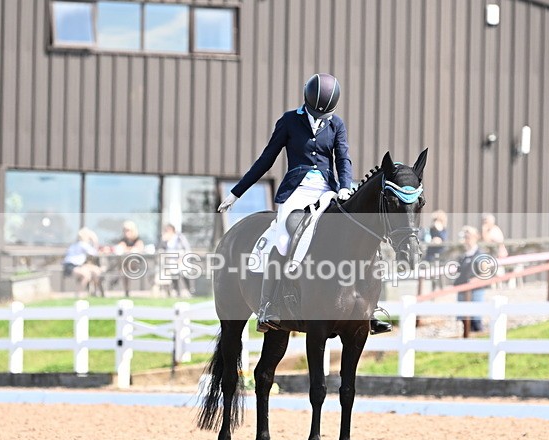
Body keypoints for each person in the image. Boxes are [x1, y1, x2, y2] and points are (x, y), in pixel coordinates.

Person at [218, 73, 391, 335]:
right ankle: (268, 305)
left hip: (326, 190)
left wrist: (345, 187)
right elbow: (266, 159)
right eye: (315, 114)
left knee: (355, 234)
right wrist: (236, 193)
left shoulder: (336, 125)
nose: (319, 119)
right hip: (296, 191)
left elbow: (343, 159)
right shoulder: (289, 120)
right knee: (284, 236)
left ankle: (371, 307)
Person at [454, 226, 485, 333]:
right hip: (463, 290)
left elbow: (485, 273)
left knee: (475, 321)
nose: (467, 239)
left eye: (469, 236)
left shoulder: (480, 254)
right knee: (464, 320)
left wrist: (475, 281)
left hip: (475, 291)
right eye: (465, 237)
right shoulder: (462, 256)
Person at [62, 227, 103, 297]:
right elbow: (94, 253)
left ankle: (96, 293)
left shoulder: (78, 244)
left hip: (78, 265)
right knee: (86, 275)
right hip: (70, 266)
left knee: (96, 271)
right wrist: (95, 241)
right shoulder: (82, 244)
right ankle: (78, 295)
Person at [159, 223, 194, 297]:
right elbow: (162, 251)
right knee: (173, 272)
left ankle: (190, 290)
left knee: (184, 272)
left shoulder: (180, 238)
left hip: (182, 259)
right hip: (171, 261)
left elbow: (187, 249)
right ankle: (177, 291)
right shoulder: (165, 240)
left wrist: (181, 259)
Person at [425, 210, 448, 291]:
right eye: (435, 220)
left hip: (440, 255)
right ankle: (432, 289)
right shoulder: (430, 229)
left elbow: (443, 239)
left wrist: (438, 231)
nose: (435, 222)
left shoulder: (443, 230)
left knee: (440, 274)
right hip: (431, 255)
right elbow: (426, 238)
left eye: (437, 220)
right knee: (431, 274)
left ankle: (442, 289)